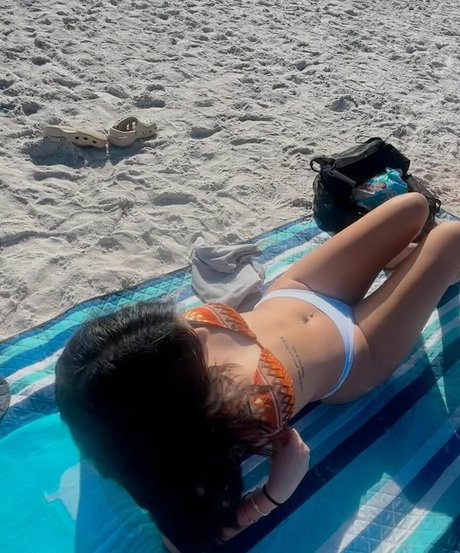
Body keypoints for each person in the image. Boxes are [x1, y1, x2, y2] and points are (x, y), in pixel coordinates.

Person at [55, 192, 460, 552]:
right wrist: (272, 496)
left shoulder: (113, 379)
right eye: (186, 343)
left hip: (301, 289)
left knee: (411, 207)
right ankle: (421, 272)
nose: (192, 329)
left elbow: (89, 398)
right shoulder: (209, 431)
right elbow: (186, 541)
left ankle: (411, 271)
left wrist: (99, 427)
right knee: (448, 238)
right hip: (357, 351)